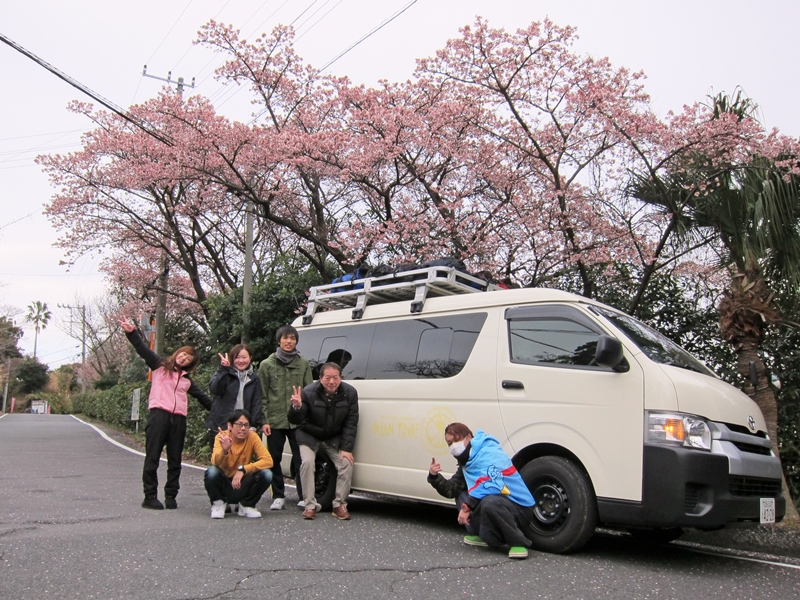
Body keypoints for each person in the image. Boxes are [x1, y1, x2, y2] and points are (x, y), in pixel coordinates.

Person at [119, 317, 212, 510]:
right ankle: (150, 495)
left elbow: (204, 399)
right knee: (152, 456)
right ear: (178, 353)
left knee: (175, 459)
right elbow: (142, 350)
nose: (184, 358)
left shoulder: (187, 380)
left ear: (190, 364)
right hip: (158, 416)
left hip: (179, 419)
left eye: (188, 359)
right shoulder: (159, 366)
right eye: (183, 354)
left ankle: (171, 495)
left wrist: (226, 416)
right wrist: (131, 332)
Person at [428, 422, 535, 559]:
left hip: (519, 507)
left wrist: (466, 508)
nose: (453, 446)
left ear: (468, 437)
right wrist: (434, 477)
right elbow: (452, 489)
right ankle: (484, 536)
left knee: (489, 502)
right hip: (497, 502)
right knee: (461, 494)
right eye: (449, 443)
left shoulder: (489, 451)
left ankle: (518, 542)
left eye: (456, 440)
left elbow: (492, 484)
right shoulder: (467, 462)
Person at [287, 362, 358, 520]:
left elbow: (351, 423)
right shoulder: (308, 392)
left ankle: (339, 504)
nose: (331, 382)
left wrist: (346, 448)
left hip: (332, 437)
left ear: (341, 378)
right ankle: (309, 505)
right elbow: (296, 420)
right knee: (307, 463)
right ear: (320, 378)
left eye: (335, 378)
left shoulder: (350, 393)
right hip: (309, 435)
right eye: (327, 378)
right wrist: (296, 408)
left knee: (346, 463)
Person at [257, 324, 312, 510]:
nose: (289, 341)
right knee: (274, 458)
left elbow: (309, 393)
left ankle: (304, 496)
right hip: (274, 420)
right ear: (279, 340)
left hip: (298, 421)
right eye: (285, 338)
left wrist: (307, 417)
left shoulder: (303, 364)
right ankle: (278, 495)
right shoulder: (267, 364)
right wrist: (264, 420)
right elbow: (262, 394)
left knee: (301, 460)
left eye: (293, 338)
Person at [205, 409, 273, 518]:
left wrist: (243, 469)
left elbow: (268, 460)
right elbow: (215, 462)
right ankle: (218, 504)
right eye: (239, 424)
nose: (243, 428)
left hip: (242, 483)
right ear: (230, 426)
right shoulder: (221, 437)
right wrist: (224, 451)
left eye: (246, 425)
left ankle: (247, 505)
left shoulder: (252, 436)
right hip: (224, 483)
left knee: (267, 474)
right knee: (212, 472)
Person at [206, 344, 262, 449]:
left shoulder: (254, 379)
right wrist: (223, 370)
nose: (241, 361)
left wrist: (253, 425)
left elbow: (256, 402)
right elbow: (215, 389)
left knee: (240, 461)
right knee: (219, 459)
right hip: (221, 425)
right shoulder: (225, 373)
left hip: (242, 427)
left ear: (250, 358)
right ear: (232, 359)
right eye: (237, 357)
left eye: (244, 357)